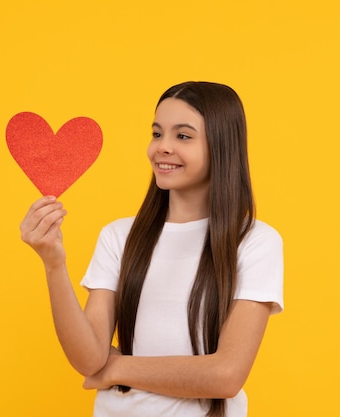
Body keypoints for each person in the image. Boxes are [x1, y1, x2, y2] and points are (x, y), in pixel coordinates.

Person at [20, 81, 284, 417]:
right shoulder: (119, 236)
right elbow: (88, 359)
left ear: (222, 145)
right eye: (157, 134)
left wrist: (116, 369)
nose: (162, 147)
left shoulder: (254, 241)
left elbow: (225, 376)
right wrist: (53, 263)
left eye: (183, 136)